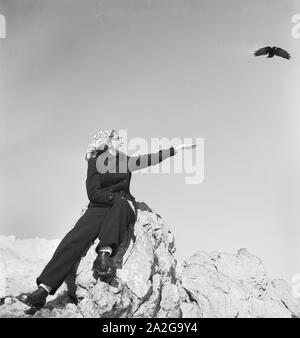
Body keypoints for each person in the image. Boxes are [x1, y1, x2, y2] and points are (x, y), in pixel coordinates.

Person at [16, 129, 197, 313]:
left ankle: (103, 255)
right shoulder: (95, 162)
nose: (122, 141)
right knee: (74, 239)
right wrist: (111, 199)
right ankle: (43, 290)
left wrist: (176, 149)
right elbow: (92, 191)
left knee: (121, 206)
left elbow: (148, 159)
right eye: (118, 138)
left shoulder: (124, 159)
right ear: (108, 142)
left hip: (123, 205)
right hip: (99, 205)